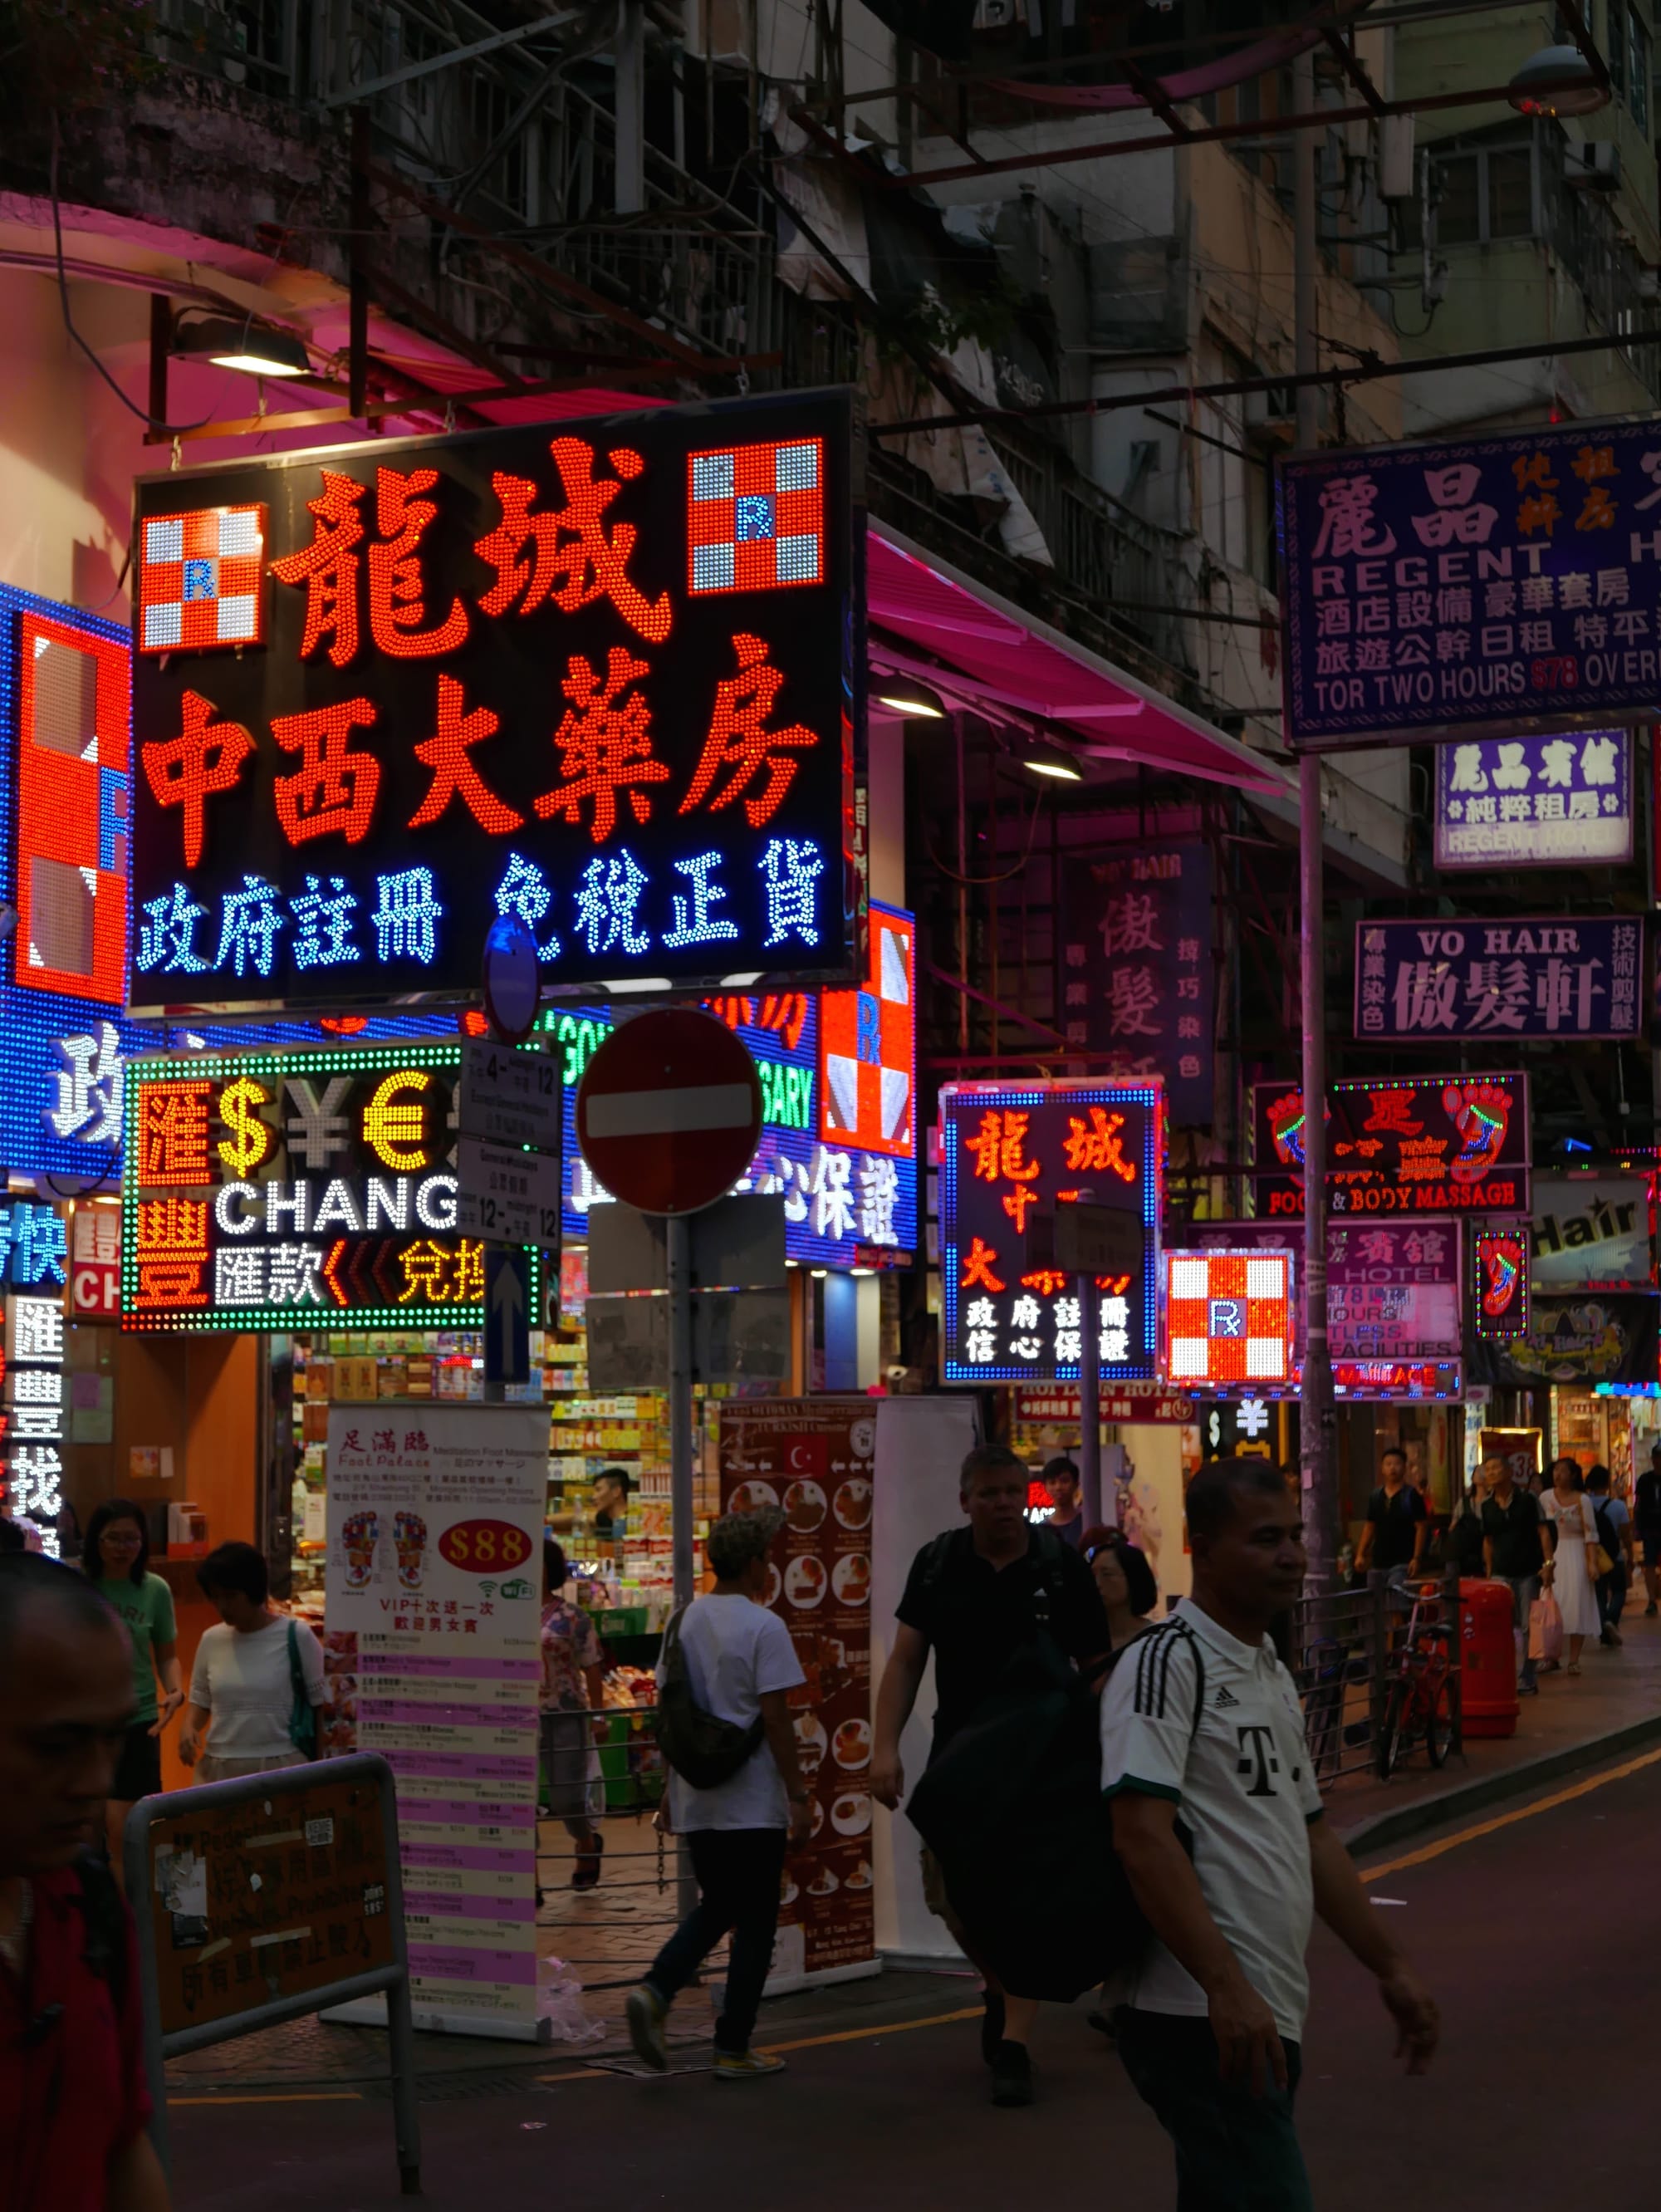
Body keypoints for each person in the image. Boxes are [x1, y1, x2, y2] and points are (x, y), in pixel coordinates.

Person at [1101, 1459, 1439, 2210]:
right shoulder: (1164, 1663)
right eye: (1264, 1538)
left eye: (1293, 1535)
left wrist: (1390, 1966)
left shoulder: (1268, 1670)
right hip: (1194, 2014)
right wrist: (1225, 1985)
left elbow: (1311, 1834)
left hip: (1259, 2010)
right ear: (1202, 1546)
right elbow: (1140, 1837)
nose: (1291, 1554)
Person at [871, 1441, 1111, 2107]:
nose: (1004, 1503)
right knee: (946, 1890)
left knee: (1026, 1897)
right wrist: (883, 1746)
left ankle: (1015, 2044)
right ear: (965, 1500)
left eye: (1013, 1491)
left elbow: (1098, 1664)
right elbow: (906, 1660)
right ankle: (1001, 1982)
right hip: (960, 1761)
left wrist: (1111, 1751)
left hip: (1045, 1763)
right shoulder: (939, 1563)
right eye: (990, 1493)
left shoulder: (1058, 1565)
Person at [0, 1552, 172, 2210]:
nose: (96, 1780)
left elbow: (123, 2144)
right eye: (55, 1746)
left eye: (112, 1740)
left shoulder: (90, 1907)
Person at [625, 1508, 808, 2082]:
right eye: (768, 1557)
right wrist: (799, 1794)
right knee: (753, 1920)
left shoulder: (682, 1623)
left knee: (718, 1903)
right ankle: (728, 2042)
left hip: (697, 1796)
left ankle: (659, 1990)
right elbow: (776, 1720)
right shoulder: (764, 1626)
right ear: (754, 1564)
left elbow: (669, 1713)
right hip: (752, 1799)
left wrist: (667, 1793)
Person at [82, 1501, 183, 1877]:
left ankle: (134, 1924)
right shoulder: (79, 1585)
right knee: (88, 1831)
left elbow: (167, 1656)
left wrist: (175, 1691)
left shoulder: (155, 1590)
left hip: (140, 1720)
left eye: (133, 1539)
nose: (124, 1548)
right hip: (88, 1723)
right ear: (97, 1541)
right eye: (114, 1539)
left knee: (131, 1833)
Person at [179, 1543, 324, 1783]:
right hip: (219, 1769)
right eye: (215, 1598)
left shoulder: (297, 1636)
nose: (222, 1607)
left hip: (282, 1767)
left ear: (254, 1590)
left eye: (231, 1596)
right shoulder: (211, 1639)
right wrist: (188, 1728)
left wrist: (320, 1772)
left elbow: (319, 1709)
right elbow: (201, 1701)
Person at [540, 1538, 608, 1890]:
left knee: (565, 1797)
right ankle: (529, 1876)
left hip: (565, 1714)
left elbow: (592, 1667)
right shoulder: (504, 1615)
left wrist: (598, 1716)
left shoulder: (572, 1617)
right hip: (519, 1718)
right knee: (516, 1797)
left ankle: (585, 1841)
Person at [1482, 1455, 1546, 1695]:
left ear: (1509, 1471)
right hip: (1500, 1573)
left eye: (1496, 1467)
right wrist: (1489, 1573)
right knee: (1502, 1627)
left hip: (1528, 1571)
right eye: (1487, 1469)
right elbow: (1488, 1541)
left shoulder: (1528, 1500)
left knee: (1529, 1626)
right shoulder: (1486, 1506)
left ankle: (1528, 1677)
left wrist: (1548, 1564)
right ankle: (1505, 1675)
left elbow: (1543, 1532)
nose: (1491, 1472)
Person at [1538, 1459, 1599, 1676]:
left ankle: (1573, 1659)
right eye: (1556, 1470)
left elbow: (1591, 1534)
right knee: (1550, 1605)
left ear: (1573, 1475)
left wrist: (1591, 1563)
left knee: (1577, 1605)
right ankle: (1549, 1656)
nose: (1558, 1474)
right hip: (1551, 1554)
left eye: (1563, 1471)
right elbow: (1540, 1529)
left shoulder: (1583, 1501)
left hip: (1576, 1554)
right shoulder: (1545, 1497)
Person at [1353, 1446, 1428, 1586]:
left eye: (1397, 1464)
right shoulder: (1376, 1496)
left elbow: (1421, 1528)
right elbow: (1369, 1527)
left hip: (1403, 1561)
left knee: (1396, 1601)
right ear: (1382, 1468)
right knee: (1377, 1603)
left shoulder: (1412, 1496)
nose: (1392, 1468)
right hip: (1378, 1562)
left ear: (1404, 1467)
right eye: (1388, 1464)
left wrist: (1416, 1558)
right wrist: (1360, 1554)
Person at [1082, 1527, 1158, 1650]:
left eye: (1107, 1574)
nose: (1097, 1583)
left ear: (1132, 1578)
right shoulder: (1083, 1641)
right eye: (1092, 1575)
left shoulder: (1155, 1640)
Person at [1584, 1464, 1631, 1648]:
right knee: (1619, 1591)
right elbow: (1626, 1534)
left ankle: (1604, 1629)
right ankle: (1611, 1620)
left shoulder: (1584, 1502)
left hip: (1593, 1557)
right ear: (1607, 1483)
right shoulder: (1618, 1506)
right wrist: (1630, 1557)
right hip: (1614, 1556)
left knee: (1599, 1595)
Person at [1447, 1460, 1496, 1582]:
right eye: (1478, 1471)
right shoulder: (1464, 1502)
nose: (1481, 1473)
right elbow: (1453, 1526)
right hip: (1464, 1546)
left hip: (1484, 1544)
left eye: (1484, 1471)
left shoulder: (1494, 1501)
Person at [1635, 1440, 1661, 1617]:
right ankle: (1651, 1599)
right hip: (1650, 1529)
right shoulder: (1645, 1480)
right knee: (1650, 1565)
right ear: (1652, 1459)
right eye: (1657, 1458)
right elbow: (1638, 1505)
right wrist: (1637, 1529)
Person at [1041, 1455, 1085, 1548]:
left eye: (1064, 1481)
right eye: (1052, 1482)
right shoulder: (1041, 1531)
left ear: (1076, 1484)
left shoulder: (1087, 1524)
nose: (1058, 1487)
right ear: (1045, 1487)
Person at [591, 1466, 631, 1541]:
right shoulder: (602, 1518)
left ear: (616, 1491)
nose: (594, 1497)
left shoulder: (633, 1521)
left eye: (598, 1490)